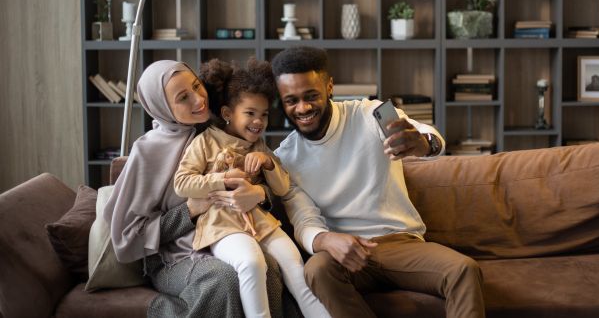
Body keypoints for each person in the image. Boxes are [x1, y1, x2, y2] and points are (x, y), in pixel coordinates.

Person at [271, 46, 486, 318]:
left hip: (400, 242)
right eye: (291, 100)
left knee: (464, 270)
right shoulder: (286, 158)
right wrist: (326, 240)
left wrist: (422, 143)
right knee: (316, 269)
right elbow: (304, 220)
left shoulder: (370, 113)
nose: (302, 108)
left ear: (329, 87)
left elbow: (428, 135)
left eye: (311, 96)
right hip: (347, 254)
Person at [103, 60, 283, 318]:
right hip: (173, 257)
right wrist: (189, 211)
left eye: (197, 86)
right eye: (183, 97)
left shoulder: (219, 128)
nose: (199, 100)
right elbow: (129, 235)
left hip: (225, 235)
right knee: (223, 279)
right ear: (162, 107)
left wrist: (259, 194)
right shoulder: (148, 152)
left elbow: (265, 178)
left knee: (269, 269)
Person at [173, 58, 330, 318]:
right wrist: (221, 180)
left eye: (264, 114)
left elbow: (282, 188)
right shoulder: (205, 142)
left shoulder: (259, 147)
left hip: (261, 223)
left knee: (294, 263)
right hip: (221, 226)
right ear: (227, 114)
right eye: (250, 113)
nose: (259, 122)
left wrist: (269, 164)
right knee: (251, 262)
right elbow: (182, 183)